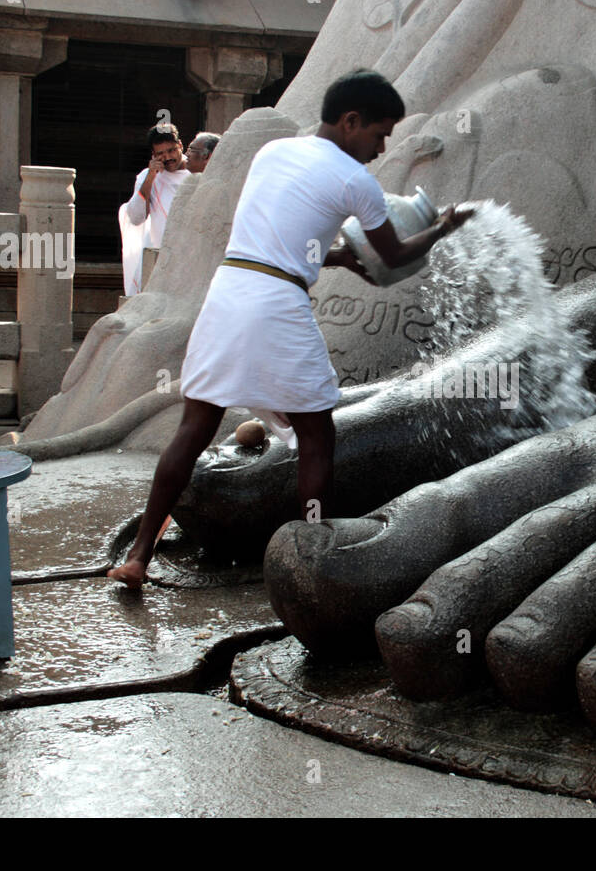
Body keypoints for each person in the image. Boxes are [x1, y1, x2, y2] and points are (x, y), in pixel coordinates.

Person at [107, 69, 473, 590]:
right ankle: (311, 556)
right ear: (351, 122)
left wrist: (340, 256)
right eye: (379, 133)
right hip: (276, 304)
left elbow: (277, 237)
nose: (380, 146)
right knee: (317, 435)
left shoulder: (274, 153)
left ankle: (140, 556)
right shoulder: (356, 181)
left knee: (194, 428)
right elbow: (392, 257)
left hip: (229, 290)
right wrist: (442, 228)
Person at [119, 122, 189, 296]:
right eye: (161, 154)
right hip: (158, 256)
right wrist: (151, 177)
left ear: (180, 145)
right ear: (153, 155)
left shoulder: (197, 172)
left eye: (171, 150)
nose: (168, 157)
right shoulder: (147, 177)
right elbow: (136, 217)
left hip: (188, 254)